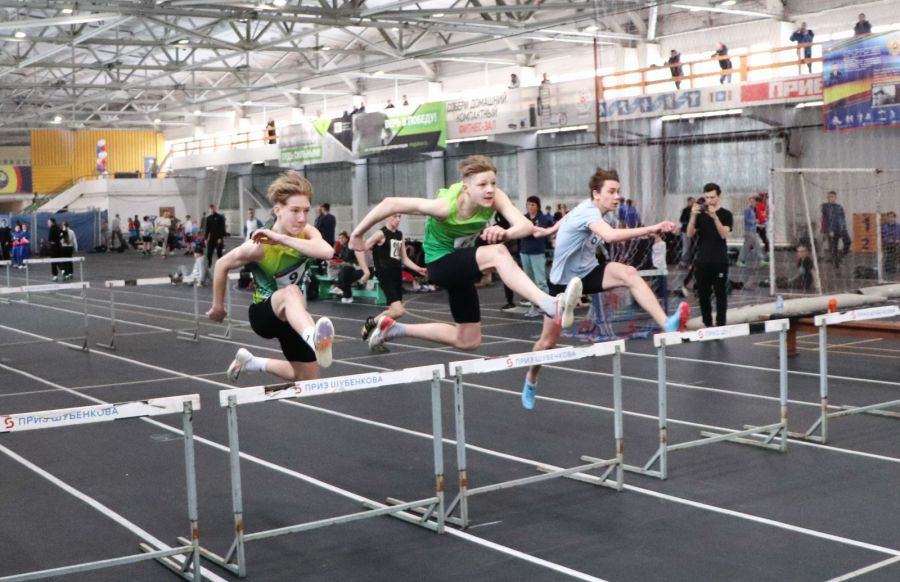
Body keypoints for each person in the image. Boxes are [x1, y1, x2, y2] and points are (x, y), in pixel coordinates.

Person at [350, 155, 583, 352]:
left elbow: (525, 226)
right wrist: (357, 234)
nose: (490, 189)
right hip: (440, 264)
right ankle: (550, 305)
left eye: (493, 183)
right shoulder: (444, 208)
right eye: (482, 185)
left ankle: (395, 329)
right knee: (498, 254)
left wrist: (505, 232)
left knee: (468, 340)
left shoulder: (494, 198)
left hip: (460, 264)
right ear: (467, 188)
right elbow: (391, 203)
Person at [520, 168, 690, 410]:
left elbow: (567, 217)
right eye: (611, 191)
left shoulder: (595, 209)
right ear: (596, 194)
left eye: (618, 191)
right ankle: (531, 379)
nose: (617, 196)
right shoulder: (590, 212)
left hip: (588, 272)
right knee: (547, 343)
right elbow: (609, 237)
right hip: (562, 282)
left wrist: (549, 229)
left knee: (629, 273)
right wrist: (652, 228)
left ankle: (667, 323)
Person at [207, 171, 336, 381]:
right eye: (295, 211)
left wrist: (282, 239)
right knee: (291, 292)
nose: (302, 218)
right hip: (264, 314)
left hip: (294, 319)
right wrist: (218, 307)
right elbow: (222, 264)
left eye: (306, 211)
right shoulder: (258, 247)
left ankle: (253, 362)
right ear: (278, 210)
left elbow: (327, 252)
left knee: (308, 379)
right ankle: (313, 337)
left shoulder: (308, 232)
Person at [358, 213, 428, 335]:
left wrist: (418, 269)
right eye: (394, 216)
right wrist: (366, 270)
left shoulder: (399, 235)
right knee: (399, 311)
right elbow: (359, 248)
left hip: (396, 273)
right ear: (386, 217)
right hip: (385, 274)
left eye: (399, 217)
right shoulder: (380, 234)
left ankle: (377, 333)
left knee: (393, 311)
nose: (397, 219)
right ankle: (373, 323)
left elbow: (404, 258)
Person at [687, 183, 733, 328]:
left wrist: (715, 218)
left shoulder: (726, 214)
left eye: (712, 197)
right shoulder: (700, 215)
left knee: (720, 294)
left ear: (718, 197)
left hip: (719, 260)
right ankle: (707, 323)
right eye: (706, 197)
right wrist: (693, 216)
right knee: (703, 295)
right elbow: (689, 234)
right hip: (702, 260)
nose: (709, 200)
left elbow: (724, 234)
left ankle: (721, 324)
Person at [519, 196, 554, 317]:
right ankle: (533, 307)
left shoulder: (542, 218)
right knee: (529, 282)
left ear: (538, 206)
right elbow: (521, 232)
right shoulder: (524, 218)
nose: (530, 207)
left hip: (537, 252)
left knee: (541, 281)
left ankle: (547, 307)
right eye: (528, 204)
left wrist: (529, 231)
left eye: (533, 205)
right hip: (524, 251)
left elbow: (537, 234)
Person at [821, 190, 851, 264]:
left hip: (841, 229)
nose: (830, 198)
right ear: (827, 198)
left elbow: (842, 218)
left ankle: (840, 256)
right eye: (829, 197)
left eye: (832, 197)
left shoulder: (839, 207)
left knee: (848, 242)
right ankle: (835, 262)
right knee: (834, 247)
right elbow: (827, 219)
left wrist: (844, 228)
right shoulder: (826, 207)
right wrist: (830, 230)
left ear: (835, 198)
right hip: (832, 230)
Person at [736, 196, 765, 268]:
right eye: (751, 201)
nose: (752, 203)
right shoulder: (747, 210)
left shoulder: (753, 210)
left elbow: (753, 222)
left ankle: (761, 260)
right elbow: (746, 220)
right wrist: (754, 221)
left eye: (753, 201)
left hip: (753, 231)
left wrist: (758, 225)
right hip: (749, 232)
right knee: (751, 246)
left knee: (753, 246)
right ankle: (740, 261)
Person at [204, 203, 226, 268]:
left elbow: (222, 228)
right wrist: (205, 238)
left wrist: (220, 238)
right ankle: (209, 265)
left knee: (219, 253)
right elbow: (207, 229)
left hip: (218, 238)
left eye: (213, 208)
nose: (212, 210)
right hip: (211, 239)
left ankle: (221, 266)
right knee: (209, 253)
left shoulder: (220, 217)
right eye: (210, 209)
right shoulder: (208, 218)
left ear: (215, 209)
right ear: (209, 209)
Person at [678, 196, 695, 268]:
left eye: (694, 201)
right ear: (688, 202)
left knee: (691, 246)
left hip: (693, 231)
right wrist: (689, 223)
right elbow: (681, 220)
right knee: (686, 246)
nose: (693, 203)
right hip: (685, 231)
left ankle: (689, 261)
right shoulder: (685, 210)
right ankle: (684, 261)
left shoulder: (694, 210)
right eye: (691, 201)